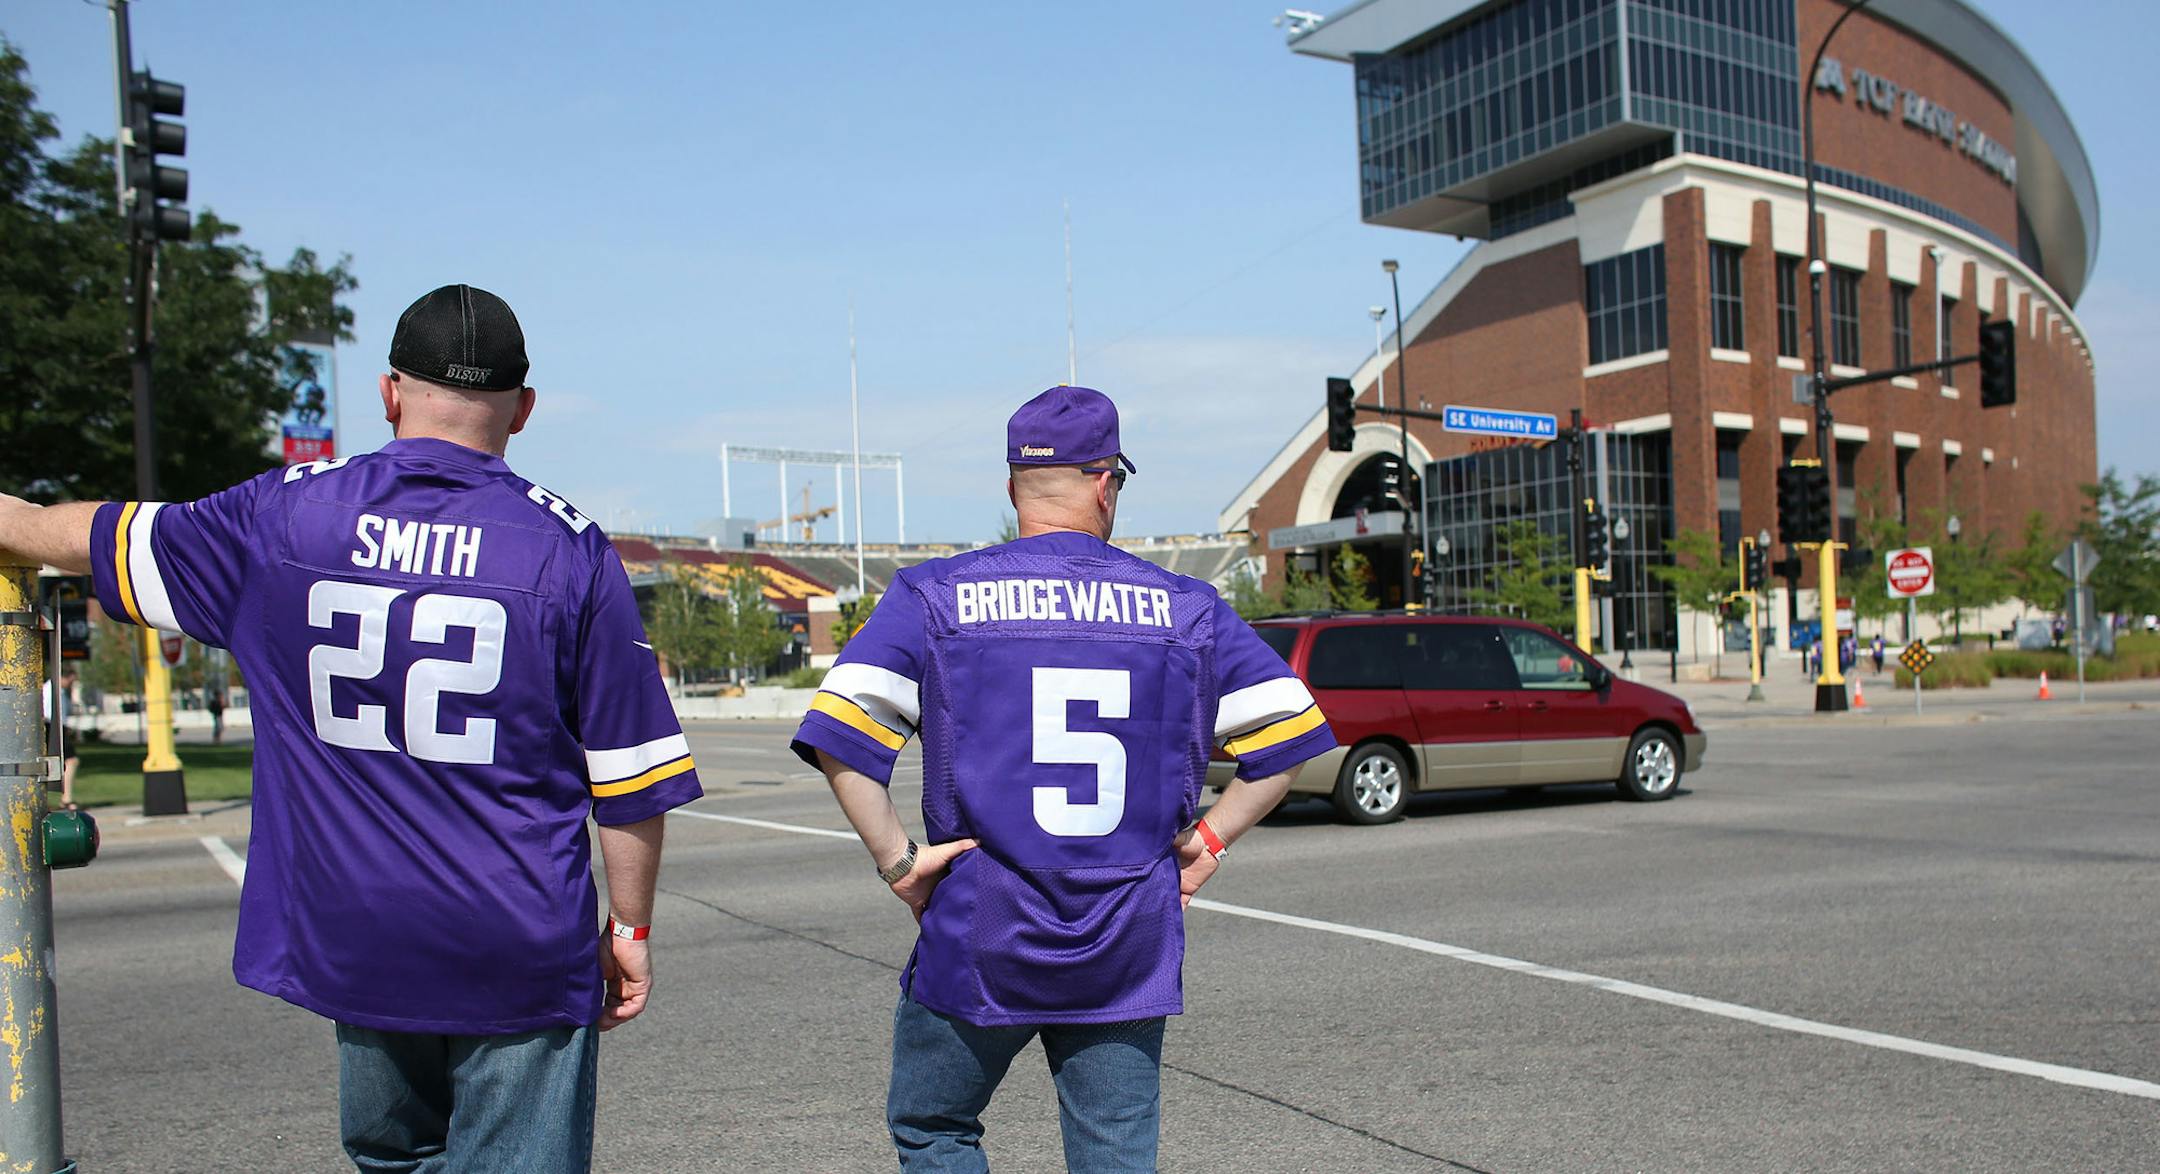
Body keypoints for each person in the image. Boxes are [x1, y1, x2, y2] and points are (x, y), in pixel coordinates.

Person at [0, 284, 702, 1171]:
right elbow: (632, 778)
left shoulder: (283, 516)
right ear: (523, 411)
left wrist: (17, 523)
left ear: (389, 392)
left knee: (396, 1161)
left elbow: (91, 536)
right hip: (515, 938)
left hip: (355, 929)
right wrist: (629, 932)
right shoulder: (569, 548)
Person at [792, 386, 1337, 1171]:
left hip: (985, 922)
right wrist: (1210, 839)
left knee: (935, 1127)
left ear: (1012, 484)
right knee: (1113, 1149)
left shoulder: (936, 595)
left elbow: (842, 737)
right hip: (1127, 932)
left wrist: (900, 862)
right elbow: (1288, 744)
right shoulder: (1188, 607)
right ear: (1107, 481)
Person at [41, 666, 80, 810]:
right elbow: (44, 712)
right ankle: (66, 798)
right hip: (52, 728)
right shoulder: (50, 690)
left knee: (64, 763)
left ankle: (65, 797)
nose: (71, 684)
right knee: (70, 761)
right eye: (71, 680)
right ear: (64, 677)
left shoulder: (59, 691)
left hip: (56, 728)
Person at [206, 679, 227, 744]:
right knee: (218, 728)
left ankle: (218, 739)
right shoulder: (215, 702)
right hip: (217, 715)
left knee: (220, 728)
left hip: (219, 715)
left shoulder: (218, 702)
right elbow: (212, 708)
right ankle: (216, 740)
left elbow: (223, 707)